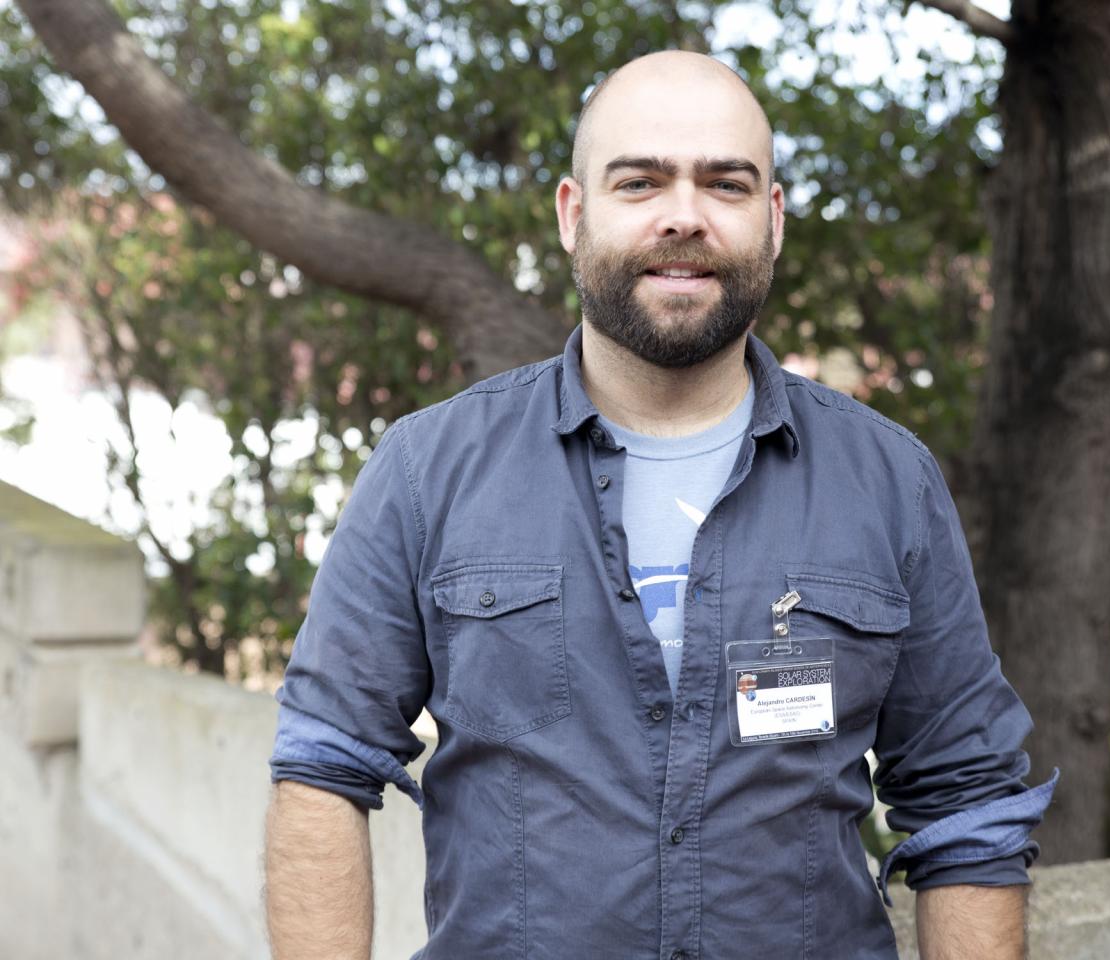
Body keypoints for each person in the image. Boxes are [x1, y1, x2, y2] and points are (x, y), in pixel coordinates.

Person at [264, 50, 1056, 960]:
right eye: (640, 181)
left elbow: (965, 804)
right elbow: (323, 767)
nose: (684, 216)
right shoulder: (425, 470)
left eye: (725, 183)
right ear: (574, 214)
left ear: (773, 218)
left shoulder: (889, 482)